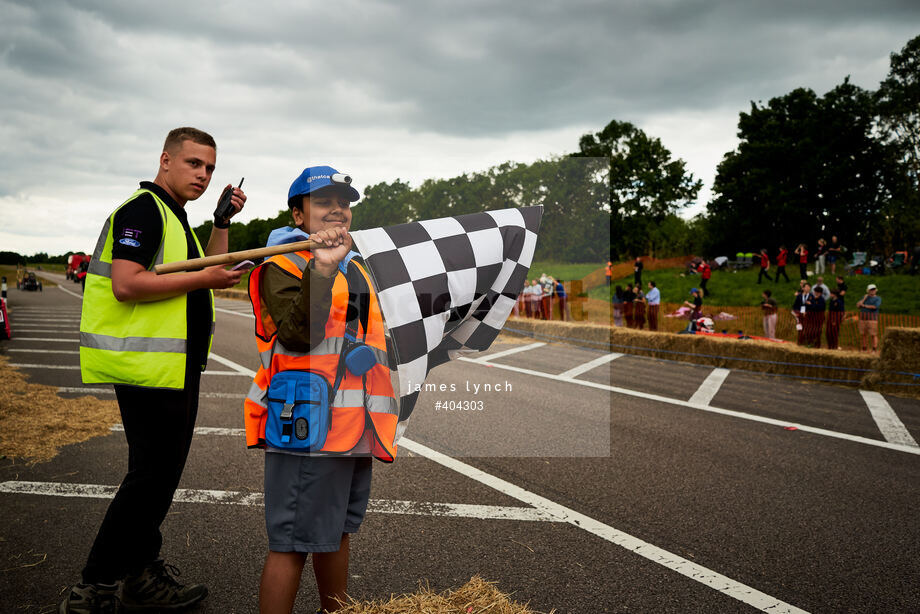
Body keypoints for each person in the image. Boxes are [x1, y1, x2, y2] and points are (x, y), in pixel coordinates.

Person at [66, 127, 247, 613]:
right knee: (150, 478)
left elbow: (210, 264)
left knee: (159, 478)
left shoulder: (174, 217)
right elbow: (126, 283)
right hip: (147, 368)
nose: (204, 175)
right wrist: (206, 277)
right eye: (193, 164)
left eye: (210, 167)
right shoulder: (143, 210)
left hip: (172, 367)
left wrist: (222, 220)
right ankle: (94, 586)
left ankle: (140, 574)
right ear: (165, 160)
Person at [245, 166, 399, 614]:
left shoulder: (356, 265)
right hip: (306, 423)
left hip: (351, 427)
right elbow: (297, 336)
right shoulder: (282, 263)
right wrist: (323, 267)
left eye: (344, 202)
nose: (338, 210)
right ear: (298, 214)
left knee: (335, 534)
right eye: (324, 202)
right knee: (291, 543)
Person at [856, 283, 882, 352]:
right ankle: (864, 348)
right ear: (868, 291)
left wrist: (864, 306)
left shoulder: (878, 298)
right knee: (863, 334)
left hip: (872, 319)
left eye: (873, 289)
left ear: (876, 290)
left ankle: (874, 349)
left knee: (873, 334)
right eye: (871, 290)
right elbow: (858, 305)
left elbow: (874, 307)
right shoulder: (864, 297)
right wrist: (864, 298)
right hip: (863, 318)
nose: (872, 291)